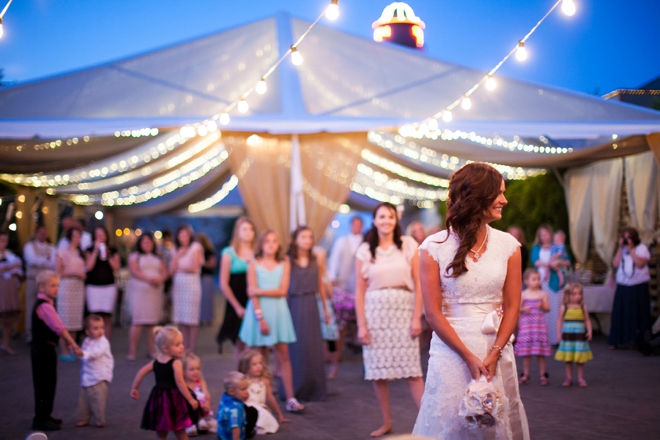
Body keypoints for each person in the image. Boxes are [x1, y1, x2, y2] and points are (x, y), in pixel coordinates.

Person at [413, 163, 529, 440]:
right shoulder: (433, 248)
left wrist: (495, 353)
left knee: (494, 422)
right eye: (498, 193)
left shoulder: (509, 246)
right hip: (451, 350)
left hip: (495, 347)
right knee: (450, 423)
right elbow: (432, 312)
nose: (505, 200)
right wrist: (468, 356)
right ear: (477, 196)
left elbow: (513, 305)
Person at [355, 202, 424, 437]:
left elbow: (419, 283)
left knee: (413, 371)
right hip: (375, 315)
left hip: (404, 312)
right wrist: (362, 325)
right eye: (382, 216)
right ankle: (387, 422)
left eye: (390, 216)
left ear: (396, 220)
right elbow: (359, 292)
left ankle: (429, 422)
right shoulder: (365, 250)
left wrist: (417, 318)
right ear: (374, 220)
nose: (386, 220)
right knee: (378, 373)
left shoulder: (408, 245)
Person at [238, 230, 302, 413]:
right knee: (260, 358)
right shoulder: (254, 264)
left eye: (274, 241)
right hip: (260, 313)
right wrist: (260, 318)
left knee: (284, 356)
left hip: (279, 312)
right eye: (267, 241)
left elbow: (283, 291)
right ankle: (260, 398)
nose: (271, 244)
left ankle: (290, 398)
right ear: (261, 244)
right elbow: (251, 293)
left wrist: (259, 290)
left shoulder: (284, 262)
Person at [30, 270, 83, 431]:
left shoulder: (47, 304)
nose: (56, 289)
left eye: (57, 285)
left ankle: (45, 415)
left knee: (48, 383)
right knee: (44, 384)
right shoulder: (45, 306)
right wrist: (73, 343)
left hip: (45, 348)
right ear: (41, 287)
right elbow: (59, 327)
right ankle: (41, 418)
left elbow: (54, 327)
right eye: (52, 285)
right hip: (42, 350)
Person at [283, 226, 329, 402]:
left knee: (313, 347)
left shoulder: (316, 259)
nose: (307, 240)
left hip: (311, 303)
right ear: (295, 240)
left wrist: (325, 308)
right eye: (303, 237)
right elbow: (285, 285)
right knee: (296, 346)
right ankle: (295, 388)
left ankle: (315, 388)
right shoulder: (289, 260)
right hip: (294, 303)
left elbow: (321, 284)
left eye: (310, 237)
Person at [130, 326, 199, 439]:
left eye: (181, 343)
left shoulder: (155, 362)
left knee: (161, 430)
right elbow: (180, 383)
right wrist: (190, 399)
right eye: (177, 345)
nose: (182, 347)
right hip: (174, 399)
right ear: (165, 348)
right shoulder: (176, 363)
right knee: (180, 430)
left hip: (159, 399)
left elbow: (141, 372)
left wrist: (135, 388)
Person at [217, 217, 256, 360]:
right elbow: (223, 283)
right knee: (239, 341)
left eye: (251, 229)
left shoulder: (257, 252)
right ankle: (240, 376)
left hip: (254, 299)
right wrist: (237, 307)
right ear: (237, 231)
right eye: (244, 229)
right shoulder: (229, 253)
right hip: (237, 299)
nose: (248, 233)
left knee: (254, 341)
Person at [127, 232, 168, 360]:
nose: (147, 244)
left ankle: (152, 350)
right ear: (140, 243)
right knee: (138, 321)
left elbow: (164, 272)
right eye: (144, 242)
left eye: (149, 242)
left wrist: (160, 279)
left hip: (154, 292)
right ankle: (132, 351)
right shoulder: (135, 256)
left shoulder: (158, 257)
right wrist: (149, 279)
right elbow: (134, 271)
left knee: (152, 323)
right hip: (140, 292)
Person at [609, 227, 652, 349]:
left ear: (634, 238)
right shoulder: (621, 249)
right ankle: (616, 340)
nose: (627, 240)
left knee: (639, 314)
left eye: (629, 238)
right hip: (623, 286)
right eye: (624, 238)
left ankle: (640, 340)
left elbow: (640, 263)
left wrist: (631, 251)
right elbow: (615, 264)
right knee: (620, 313)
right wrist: (620, 248)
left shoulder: (641, 248)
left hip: (638, 287)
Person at [327, 216, 363, 359]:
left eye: (359, 224)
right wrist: (332, 277)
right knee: (341, 320)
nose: (356, 227)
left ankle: (354, 341)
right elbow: (334, 259)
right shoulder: (342, 241)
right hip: (343, 285)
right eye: (354, 224)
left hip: (359, 285)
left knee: (357, 317)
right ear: (350, 225)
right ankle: (337, 353)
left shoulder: (365, 242)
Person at [530, 224, 570, 345]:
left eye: (546, 233)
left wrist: (557, 263)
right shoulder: (536, 248)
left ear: (550, 234)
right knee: (544, 310)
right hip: (542, 281)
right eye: (541, 234)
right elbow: (535, 262)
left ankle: (558, 337)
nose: (543, 236)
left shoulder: (557, 246)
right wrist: (549, 264)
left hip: (556, 281)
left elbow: (567, 261)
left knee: (557, 309)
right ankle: (545, 339)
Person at [170, 226, 204, 353]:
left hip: (191, 282)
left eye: (185, 235)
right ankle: (183, 347)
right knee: (182, 318)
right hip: (179, 284)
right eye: (181, 235)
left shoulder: (196, 247)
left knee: (192, 317)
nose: (183, 238)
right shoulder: (176, 249)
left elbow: (194, 267)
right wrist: (178, 255)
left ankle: (191, 348)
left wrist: (179, 268)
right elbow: (171, 269)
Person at [76, 314, 114, 428]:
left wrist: (83, 353)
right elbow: (83, 355)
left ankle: (99, 419)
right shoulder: (87, 341)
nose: (100, 331)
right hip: (87, 376)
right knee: (84, 399)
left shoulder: (103, 342)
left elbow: (96, 353)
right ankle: (84, 418)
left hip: (100, 376)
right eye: (96, 328)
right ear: (87, 331)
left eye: (102, 327)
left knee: (98, 399)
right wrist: (76, 352)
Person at [514, 268, 551, 385]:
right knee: (526, 353)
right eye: (534, 279)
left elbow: (548, 308)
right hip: (527, 327)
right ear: (526, 281)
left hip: (538, 327)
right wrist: (523, 309)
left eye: (538, 279)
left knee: (540, 353)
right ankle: (525, 374)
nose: (537, 281)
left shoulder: (542, 294)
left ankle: (543, 374)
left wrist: (542, 306)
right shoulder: (523, 294)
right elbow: (516, 308)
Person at [238, 349, 287, 435]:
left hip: (260, 409)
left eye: (260, 363)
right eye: (254, 364)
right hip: (247, 408)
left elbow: (270, 398)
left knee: (264, 416)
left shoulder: (265, 381)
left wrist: (279, 415)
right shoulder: (243, 381)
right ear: (246, 366)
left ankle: (254, 427)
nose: (258, 366)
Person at [84, 226, 121, 340]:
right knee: (94, 316)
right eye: (98, 234)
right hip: (93, 287)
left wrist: (107, 253)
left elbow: (117, 267)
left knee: (107, 317)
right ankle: (93, 341)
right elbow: (88, 267)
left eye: (102, 234)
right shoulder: (89, 249)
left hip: (108, 287)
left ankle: (105, 343)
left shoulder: (112, 250)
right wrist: (96, 250)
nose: (100, 237)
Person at [56, 228, 87, 361]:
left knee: (75, 321)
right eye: (75, 236)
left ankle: (73, 348)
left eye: (79, 236)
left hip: (78, 287)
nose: (77, 239)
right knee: (65, 320)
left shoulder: (80, 253)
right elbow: (58, 272)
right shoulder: (62, 252)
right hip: (66, 286)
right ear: (69, 237)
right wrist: (74, 273)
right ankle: (63, 350)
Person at [555, 282, 593, 387]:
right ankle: (569, 378)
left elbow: (587, 320)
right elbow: (559, 321)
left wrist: (589, 330)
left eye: (579, 293)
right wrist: (558, 333)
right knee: (568, 359)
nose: (577, 296)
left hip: (579, 337)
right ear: (568, 295)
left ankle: (581, 378)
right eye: (574, 294)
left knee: (580, 359)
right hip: (568, 337)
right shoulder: (564, 307)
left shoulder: (582, 307)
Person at [23, 225, 57, 342]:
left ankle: (45, 333)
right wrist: (45, 261)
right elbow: (32, 260)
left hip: (46, 282)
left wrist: (41, 261)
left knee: (46, 307)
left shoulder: (51, 248)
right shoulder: (29, 247)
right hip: (33, 280)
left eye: (44, 232)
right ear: (36, 233)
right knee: (31, 306)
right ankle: (30, 333)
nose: (43, 235)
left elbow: (53, 263)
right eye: (41, 232)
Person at [315, 246, 340, 380]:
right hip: (314, 308)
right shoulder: (313, 273)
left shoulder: (326, 274)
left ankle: (334, 365)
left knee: (330, 338)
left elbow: (329, 294)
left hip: (325, 309)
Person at [183, 351, 217, 435]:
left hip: (200, 408)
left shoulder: (201, 382)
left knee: (201, 399)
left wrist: (208, 403)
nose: (195, 372)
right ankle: (189, 423)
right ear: (183, 371)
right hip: (188, 408)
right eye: (192, 369)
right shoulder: (183, 384)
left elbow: (207, 395)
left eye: (198, 369)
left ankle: (201, 420)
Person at [0, 229, 23, 354]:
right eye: (1, 240)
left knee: (8, 316)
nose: (4, 243)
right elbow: (3, 268)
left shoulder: (10, 254)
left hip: (8, 288)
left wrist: (9, 267)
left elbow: (18, 267)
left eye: (5, 240)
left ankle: (6, 343)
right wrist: (10, 267)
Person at [216, 372, 257, 440]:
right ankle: (247, 433)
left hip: (221, 434)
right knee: (253, 412)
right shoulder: (235, 409)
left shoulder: (225, 396)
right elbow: (235, 427)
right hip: (230, 437)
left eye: (247, 388)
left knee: (249, 409)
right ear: (231, 391)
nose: (247, 392)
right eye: (243, 389)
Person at [196, 233, 217, 326]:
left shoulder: (208, 251)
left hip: (206, 277)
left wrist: (201, 263)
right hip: (197, 277)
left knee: (207, 298)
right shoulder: (196, 252)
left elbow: (213, 264)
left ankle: (207, 318)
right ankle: (200, 318)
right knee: (199, 299)